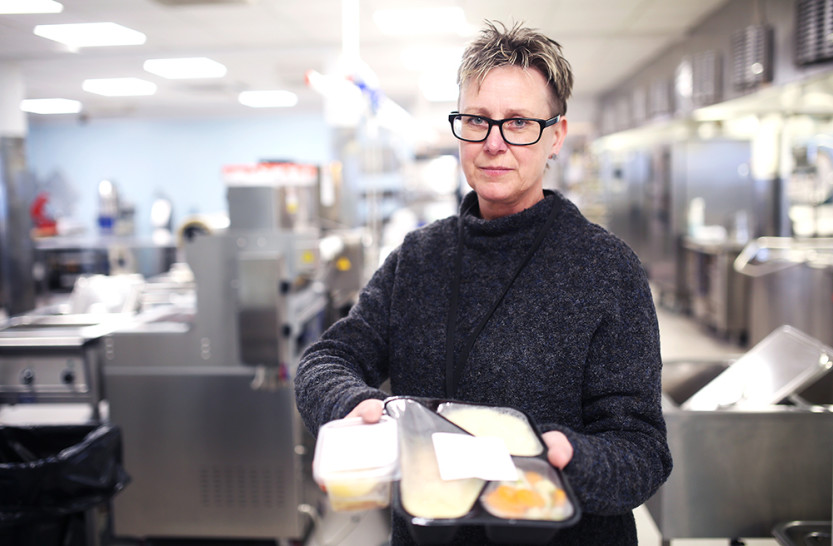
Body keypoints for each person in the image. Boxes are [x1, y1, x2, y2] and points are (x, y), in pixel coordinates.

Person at [295, 20, 672, 545]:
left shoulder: (607, 270)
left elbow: (643, 451)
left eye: (518, 123)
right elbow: (324, 360)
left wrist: (570, 457)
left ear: (555, 136)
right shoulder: (418, 258)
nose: (494, 142)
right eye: (478, 120)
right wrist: (352, 405)